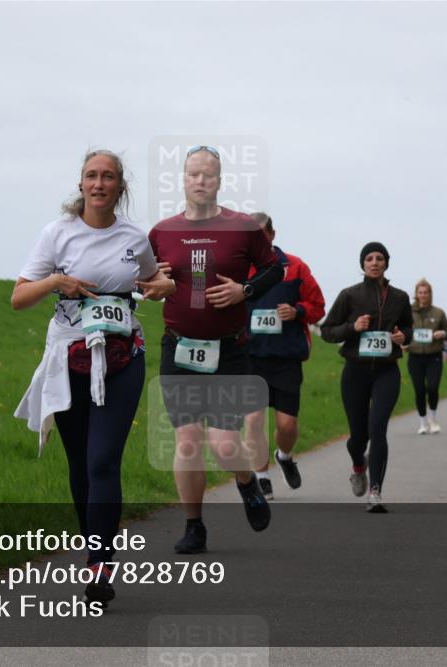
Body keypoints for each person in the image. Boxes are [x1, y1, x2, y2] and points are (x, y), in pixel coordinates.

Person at [13, 150, 175, 606]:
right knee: (80, 465)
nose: (99, 183)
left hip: (124, 358)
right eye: (91, 176)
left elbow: (155, 283)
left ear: (120, 187)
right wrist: (55, 282)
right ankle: (94, 548)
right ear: (81, 185)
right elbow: (19, 297)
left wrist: (166, 286)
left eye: (107, 177)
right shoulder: (57, 234)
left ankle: (101, 565)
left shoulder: (134, 238)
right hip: (69, 358)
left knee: (103, 460)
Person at [149, 145, 285, 554]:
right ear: (183, 179)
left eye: (208, 174)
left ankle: (247, 485)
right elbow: (146, 281)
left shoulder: (242, 227)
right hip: (179, 349)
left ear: (220, 180)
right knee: (188, 442)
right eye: (193, 174)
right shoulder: (161, 232)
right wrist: (155, 281)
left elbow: (274, 268)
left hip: (228, 350)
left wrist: (245, 290)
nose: (201, 181)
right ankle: (194, 526)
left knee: (225, 445)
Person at [320, 242, 413, 513]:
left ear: (386, 263)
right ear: (362, 264)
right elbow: (327, 331)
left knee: (378, 428)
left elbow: (408, 327)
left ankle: (376, 491)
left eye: (379, 258)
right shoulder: (349, 295)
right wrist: (353, 327)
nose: (374, 262)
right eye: (369, 258)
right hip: (355, 372)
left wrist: (402, 336)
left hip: (387, 371)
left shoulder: (399, 297)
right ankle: (358, 465)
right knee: (358, 437)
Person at [242, 212, 326, 499]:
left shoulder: (295, 267)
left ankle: (285, 456)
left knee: (286, 425)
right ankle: (261, 476)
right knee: (252, 420)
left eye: (262, 235)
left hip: (286, 357)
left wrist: (298, 311)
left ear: (273, 235)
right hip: (251, 356)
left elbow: (318, 305)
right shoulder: (238, 269)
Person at [406, 278, 447, 435]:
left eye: (426, 292)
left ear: (430, 294)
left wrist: (443, 333)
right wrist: (403, 342)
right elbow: (402, 331)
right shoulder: (408, 312)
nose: (423, 295)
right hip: (415, 356)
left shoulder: (438, 312)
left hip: (434, 356)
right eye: (420, 292)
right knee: (419, 390)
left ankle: (433, 418)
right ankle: (423, 422)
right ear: (416, 294)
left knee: (432, 388)